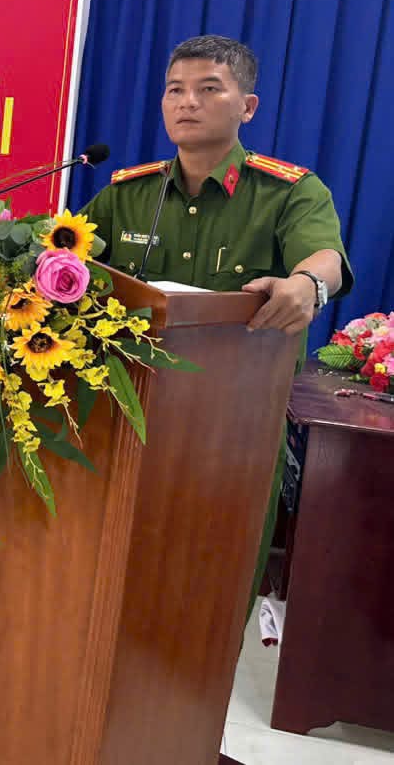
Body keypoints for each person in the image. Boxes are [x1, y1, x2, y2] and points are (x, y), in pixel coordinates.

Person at [81, 34, 353, 614]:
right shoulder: (127, 195)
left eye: (209, 89)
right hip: (129, 419)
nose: (187, 102)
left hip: (237, 432)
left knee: (210, 599)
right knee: (114, 590)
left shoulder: (288, 193)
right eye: (174, 90)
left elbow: (324, 260)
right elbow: (63, 265)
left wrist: (307, 284)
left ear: (247, 106)